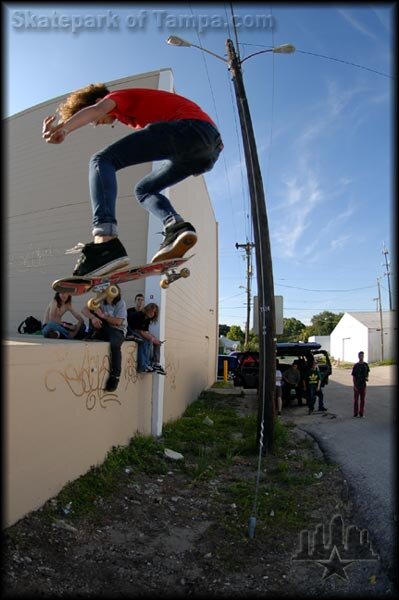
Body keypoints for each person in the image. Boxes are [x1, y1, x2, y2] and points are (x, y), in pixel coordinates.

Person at [42, 84, 224, 277]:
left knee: (101, 160)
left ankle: (105, 241)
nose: (95, 124)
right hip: (209, 149)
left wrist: (64, 129)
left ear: (98, 101)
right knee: (144, 190)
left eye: (93, 121)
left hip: (191, 129)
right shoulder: (128, 113)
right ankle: (176, 228)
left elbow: (97, 110)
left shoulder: (118, 97)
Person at [82, 285, 127, 392]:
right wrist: (93, 317)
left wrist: (102, 316)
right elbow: (84, 309)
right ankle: (93, 334)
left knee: (115, 345)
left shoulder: (121, 303)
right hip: (105, 328)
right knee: (92, 311)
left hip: (118, 330)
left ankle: (115, 377)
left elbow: (118, 322)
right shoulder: (101, 300)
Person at [127, 303, 166, 375]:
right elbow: (140, 331)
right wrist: (152, 339)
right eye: (151, 311)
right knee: (144, 341)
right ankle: (142, 366)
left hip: (137, 330)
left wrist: (155, 339)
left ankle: (155, 363)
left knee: (155, 341)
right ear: (147, 309)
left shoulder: (147, 319)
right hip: (129, 330)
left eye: (154, 312)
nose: (152, 313)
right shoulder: (141, 315)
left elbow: (146, 331)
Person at [351, 351, 370, 418]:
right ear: (358, 357)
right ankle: (355, 413)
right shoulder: (356, 366)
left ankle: (361, 413)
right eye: (360, 356)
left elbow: (367, 373)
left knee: (362, 400)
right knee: (356, 400)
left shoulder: (366, 365)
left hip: (363, 385)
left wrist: (367, 377)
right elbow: (353, 376)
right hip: (357, 385)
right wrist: (354, 385)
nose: (361, 357)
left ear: (363, 356)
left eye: (362, 356)